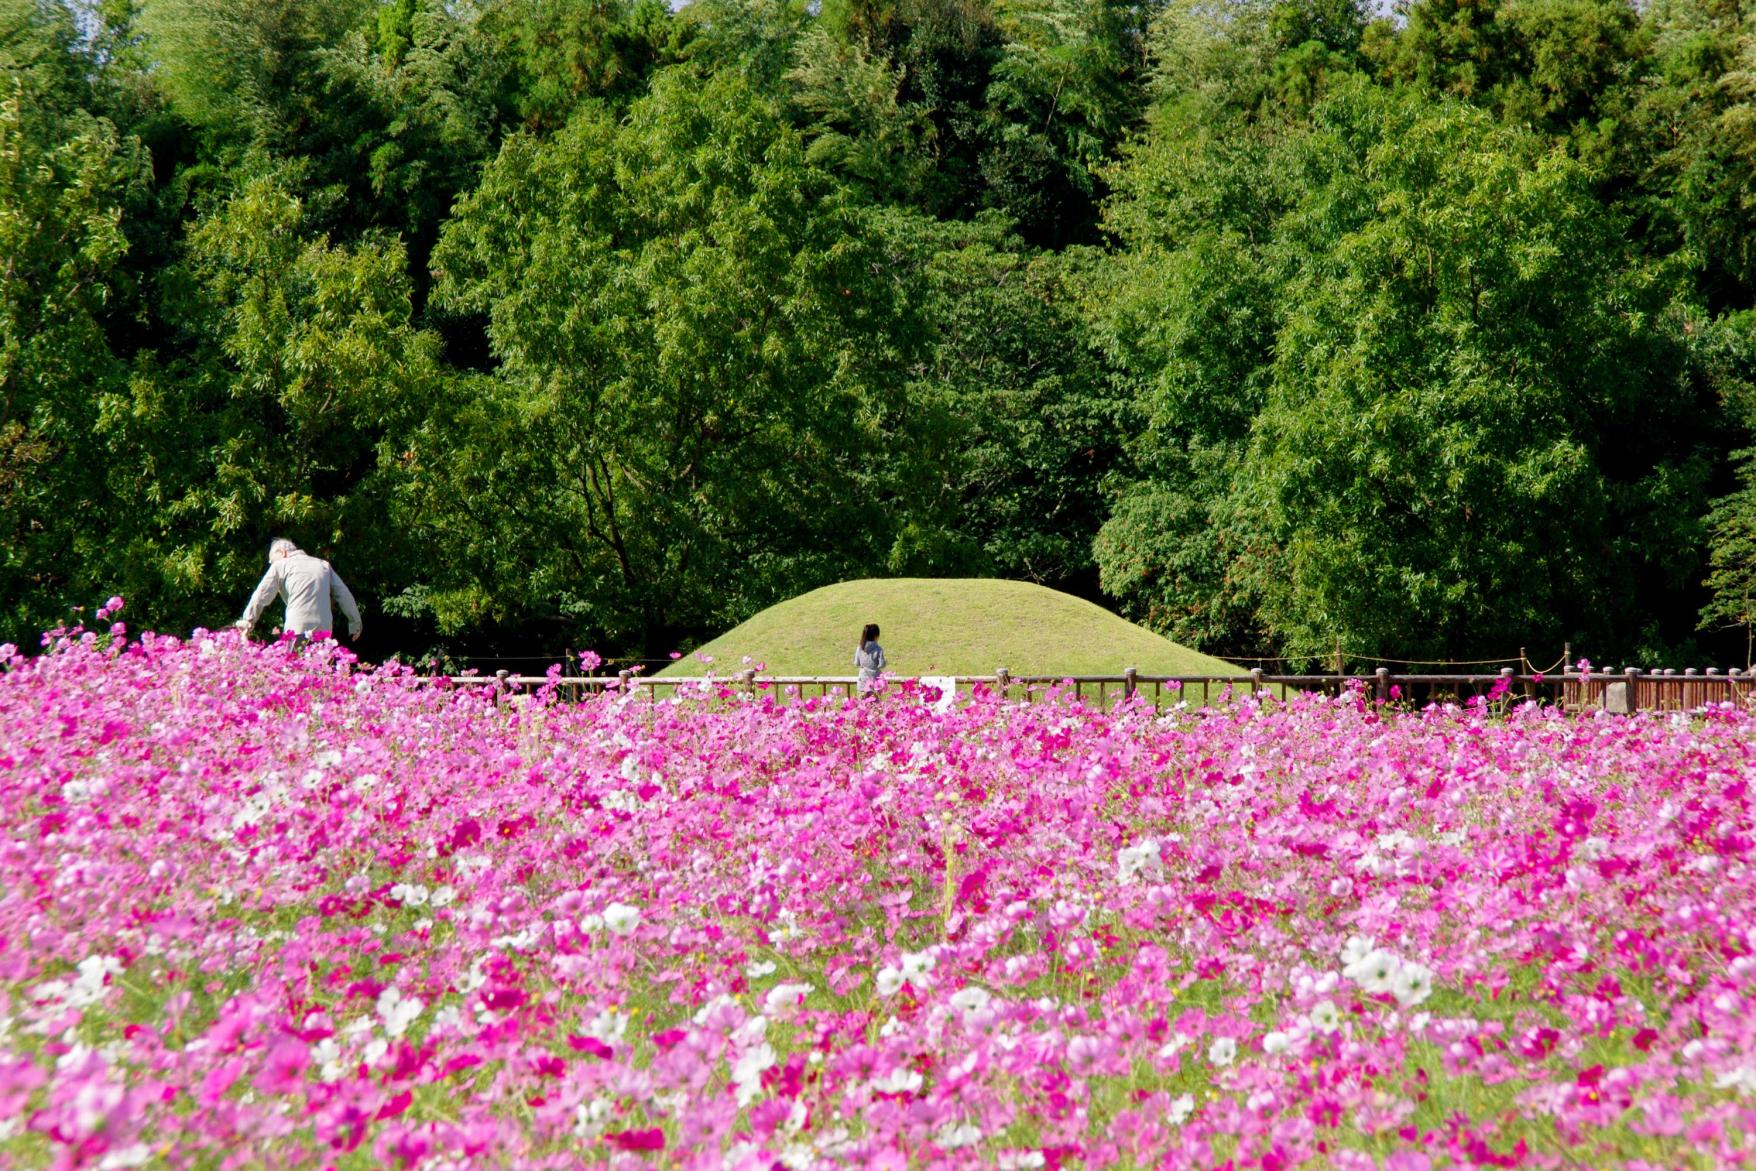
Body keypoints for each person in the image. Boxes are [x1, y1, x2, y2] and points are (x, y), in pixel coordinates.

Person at [236, 538, 363, 642]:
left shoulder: (280, 565)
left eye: (272, 560)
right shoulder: (323, 565)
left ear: (282, 552)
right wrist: (355, 623)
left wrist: (247, 622)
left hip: (296, 628)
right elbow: (344, 594)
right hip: (324, 630)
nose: (271, 563)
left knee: (296, 665)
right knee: (321, 665)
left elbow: (261, 595)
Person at [854, 622, 885, 695]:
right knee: (875, 702)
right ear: (875, 636)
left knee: (861, 702)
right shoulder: (878, 649)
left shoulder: (860, 648)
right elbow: (881, 665)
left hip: (862, 683)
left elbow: (856, 663)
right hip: (875, 684)